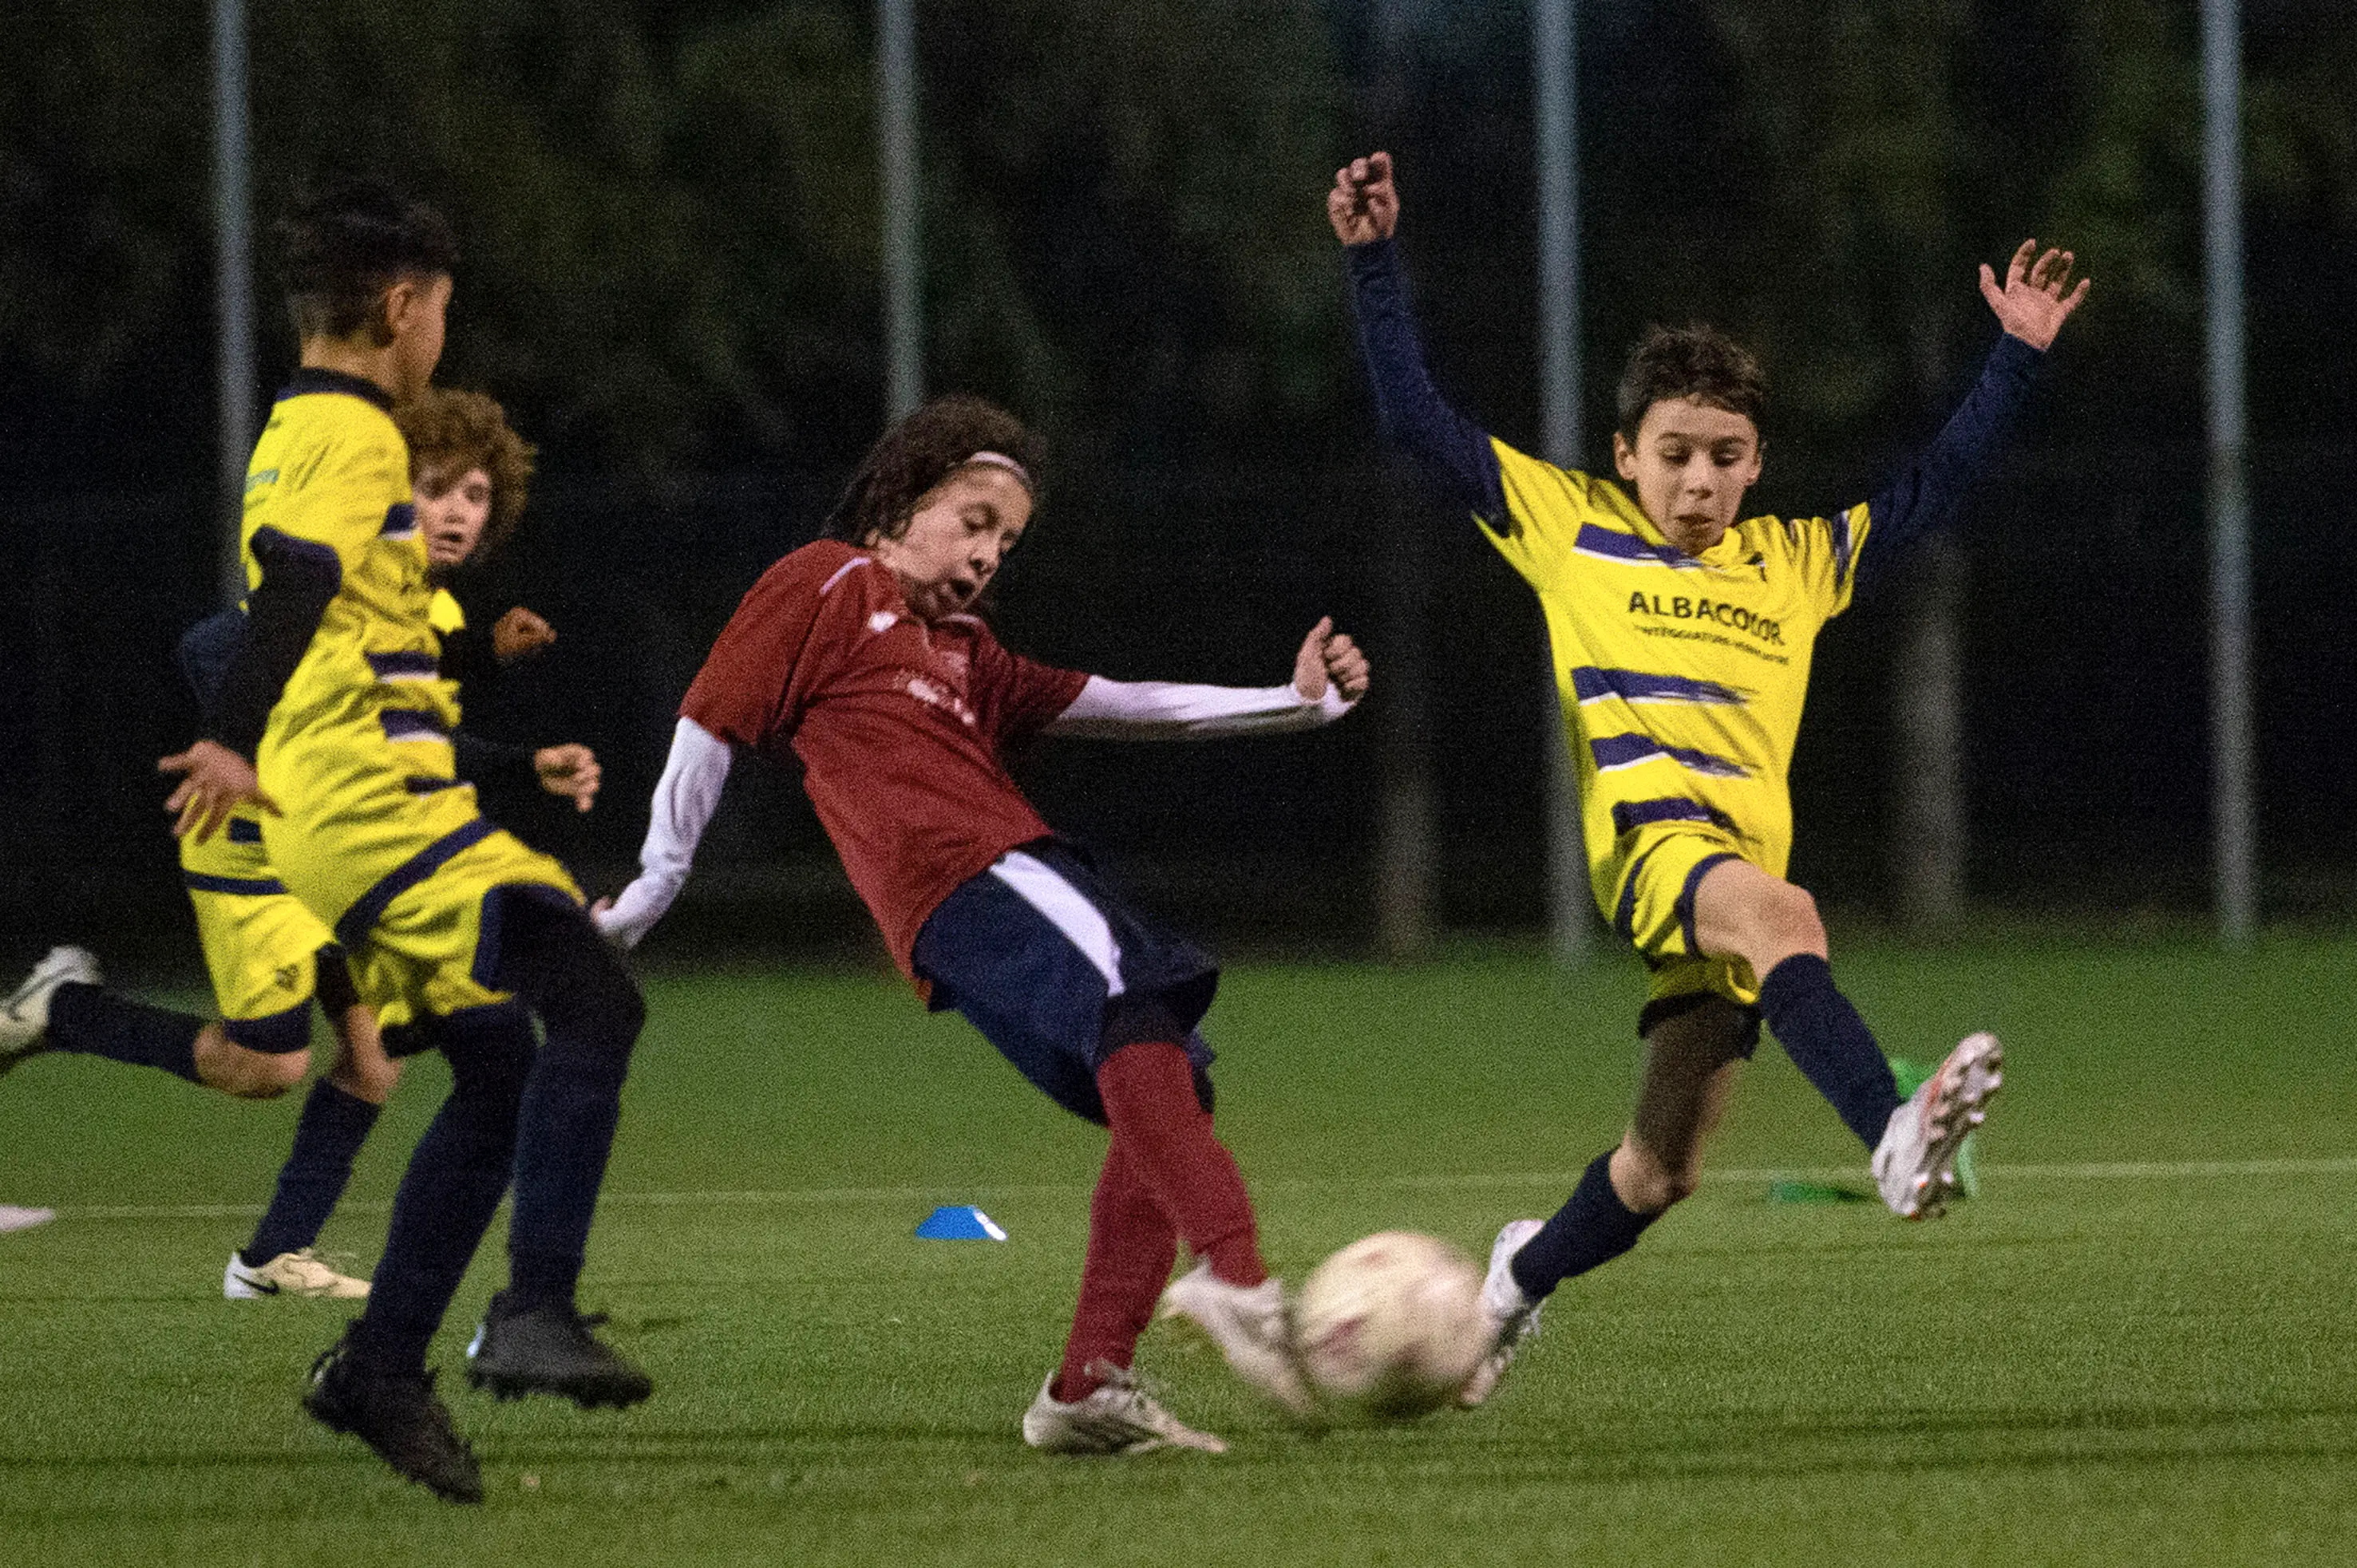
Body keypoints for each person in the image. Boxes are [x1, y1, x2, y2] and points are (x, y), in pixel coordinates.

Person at [1327, 150, 2087, 1403]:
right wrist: (1372, 264)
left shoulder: (1793, 561)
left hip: (1725, 891)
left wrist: (2016, 353)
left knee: (1658, 1169)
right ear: (1625, 453)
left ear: (1754, 460)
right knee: (1788, 915)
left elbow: (1933, 491)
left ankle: (1510, 1284)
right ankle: (1894, 1141)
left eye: (1725, 455)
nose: (1699, 480)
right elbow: (1416, 419)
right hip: (1656, 852)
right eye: (1674, 453)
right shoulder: (1565, 523)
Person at [595, 394, 1371, 1455]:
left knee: (1168, 1076)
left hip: (975, 900)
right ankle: (1234, 1272)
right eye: (972, 519)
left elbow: (1122, 702)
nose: (987, 553)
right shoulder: (826, 580)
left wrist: (1296, 705)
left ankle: (1086, 1386)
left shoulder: (965, 650)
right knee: (1134, 1008)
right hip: (970, 873)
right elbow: (708, 719)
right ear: (899, 502)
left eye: (1005, 538)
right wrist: (654, 881)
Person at [152, 177, 649, 1504]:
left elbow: (339, 596)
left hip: (362, 813)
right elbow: (300, 582)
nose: (440, 337)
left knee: (496, 1067)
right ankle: (533, 1306)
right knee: (593, 1000)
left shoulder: (311, 429)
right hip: (368, 815)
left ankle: (378, 1366)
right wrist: (236, 737)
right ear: (398, 307)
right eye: (438, 311)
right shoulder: (359, 430)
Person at [0, 389, 596, 1307]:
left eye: (475, 496)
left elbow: (399, 740)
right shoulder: (342, 572)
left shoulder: (426, 611)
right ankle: (66, 1010)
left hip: (331, 853)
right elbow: (213, 644)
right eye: (433, 488)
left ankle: (272, 1259)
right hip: (251, 849)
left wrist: (511, 735)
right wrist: (247, 743)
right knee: (267, 1065)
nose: (454, 512)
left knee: (372, 1060)